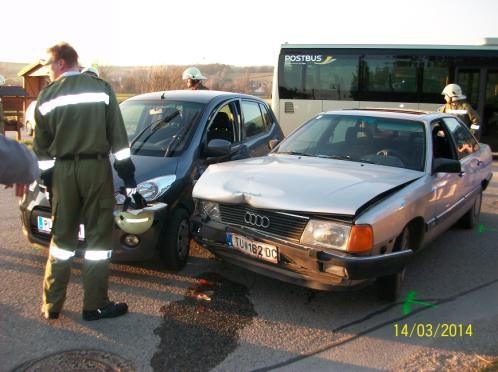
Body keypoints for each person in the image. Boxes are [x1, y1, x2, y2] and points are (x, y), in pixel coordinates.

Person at [33, 42, 137, 321]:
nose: (47, 72)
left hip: (64, 173)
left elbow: (41, 148)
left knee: (61, 240)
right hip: (95, 169)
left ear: (62, 63)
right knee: (97, 242)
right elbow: (118, 136)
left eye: (49, 66)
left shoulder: (46, 97)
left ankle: (51, 305)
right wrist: (128, 176)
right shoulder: (100, 89)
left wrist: (48, 180)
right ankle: (95, 305)